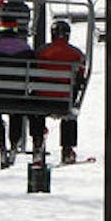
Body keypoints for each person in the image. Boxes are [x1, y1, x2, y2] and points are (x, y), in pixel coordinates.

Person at [30, 20, 87, 165]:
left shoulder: (41, 51)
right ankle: (67, 149)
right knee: (70, 112)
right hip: (64, 99)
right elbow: (80, 78)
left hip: (41, 98)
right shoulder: (76, 53)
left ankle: (37, 142)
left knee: (35, 107)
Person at [0, 16, 34, 169]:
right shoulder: (25, 48)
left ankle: (0, 139)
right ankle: (14, 142)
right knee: (17, 111)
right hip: (18, 95)